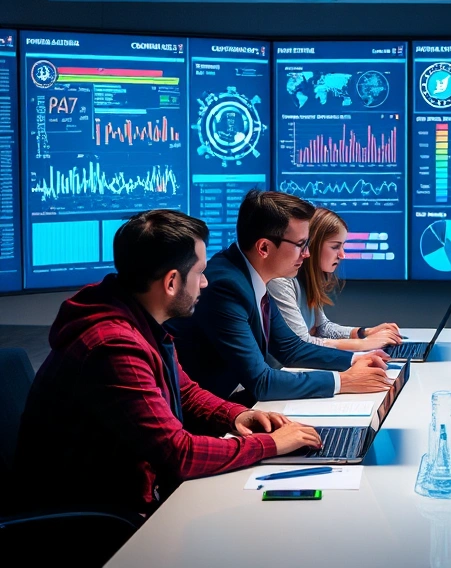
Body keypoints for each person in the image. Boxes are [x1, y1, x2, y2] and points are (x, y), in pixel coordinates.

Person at [14, 210, 323, 516]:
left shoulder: (138, 318)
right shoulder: (115, 346)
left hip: (122, 495)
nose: (205, 283)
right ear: (172, 282)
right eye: (200, 272)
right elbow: (179, 455)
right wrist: (271, 444)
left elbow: (185, 391)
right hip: (95, 519)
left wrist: (237, 416)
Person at [169, 190, 391, 405]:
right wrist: (345, 381)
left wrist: (356, 359)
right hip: (205, 414)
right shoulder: (226, 287)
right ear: (264, 247)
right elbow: (261, 382)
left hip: (230, 400)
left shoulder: (251, 276)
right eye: (301, 245)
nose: (307, 253)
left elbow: (291, 348)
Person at [267, 207, 403, 351]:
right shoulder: (281, 280)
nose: (342, 255)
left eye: (343, 246)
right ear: (313, 245)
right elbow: (302, 342)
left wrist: (364, 333)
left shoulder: (308, 279)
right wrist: (364, 344)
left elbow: (322, 327)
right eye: (335, 247)